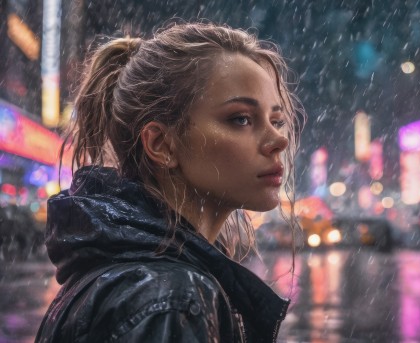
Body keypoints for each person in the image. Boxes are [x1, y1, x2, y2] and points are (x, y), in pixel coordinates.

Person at [36, 22, 305, 343]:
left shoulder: (119, 272)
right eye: (241, 118)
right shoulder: (172, 302)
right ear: (162, 144)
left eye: (277, 121)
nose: (278, 140)